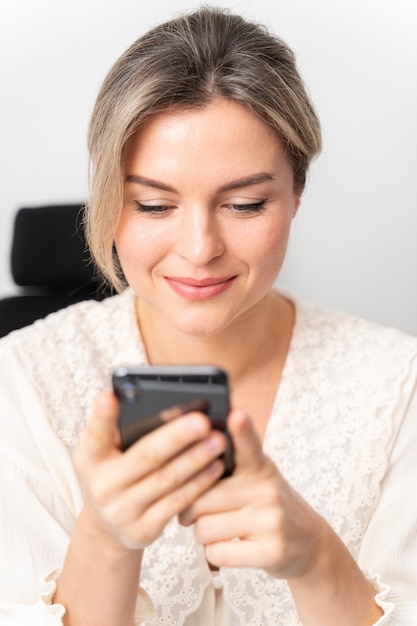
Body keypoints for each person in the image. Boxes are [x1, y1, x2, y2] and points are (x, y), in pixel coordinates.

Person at [0, 5, 416, 626]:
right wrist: (107, 543)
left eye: (245, 204)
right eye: (152, 204)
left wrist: (318, 560)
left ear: (297, 192)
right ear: (112, 200)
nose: (199, 250)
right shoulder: (21, 380)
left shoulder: (398, 384)